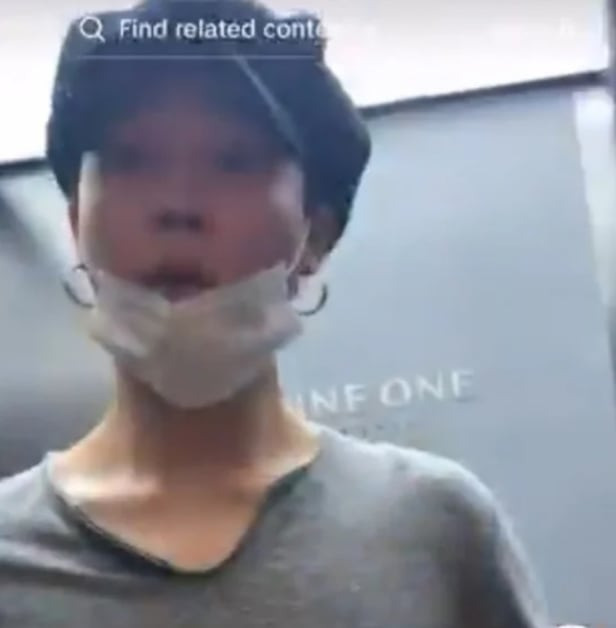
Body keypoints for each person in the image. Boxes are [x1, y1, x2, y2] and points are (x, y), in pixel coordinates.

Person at [0, 0, 551, 626]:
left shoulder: (435, 528)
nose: (177, 204)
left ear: (315, 234)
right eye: (131, 159)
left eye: (233, 161)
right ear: (77, 220)